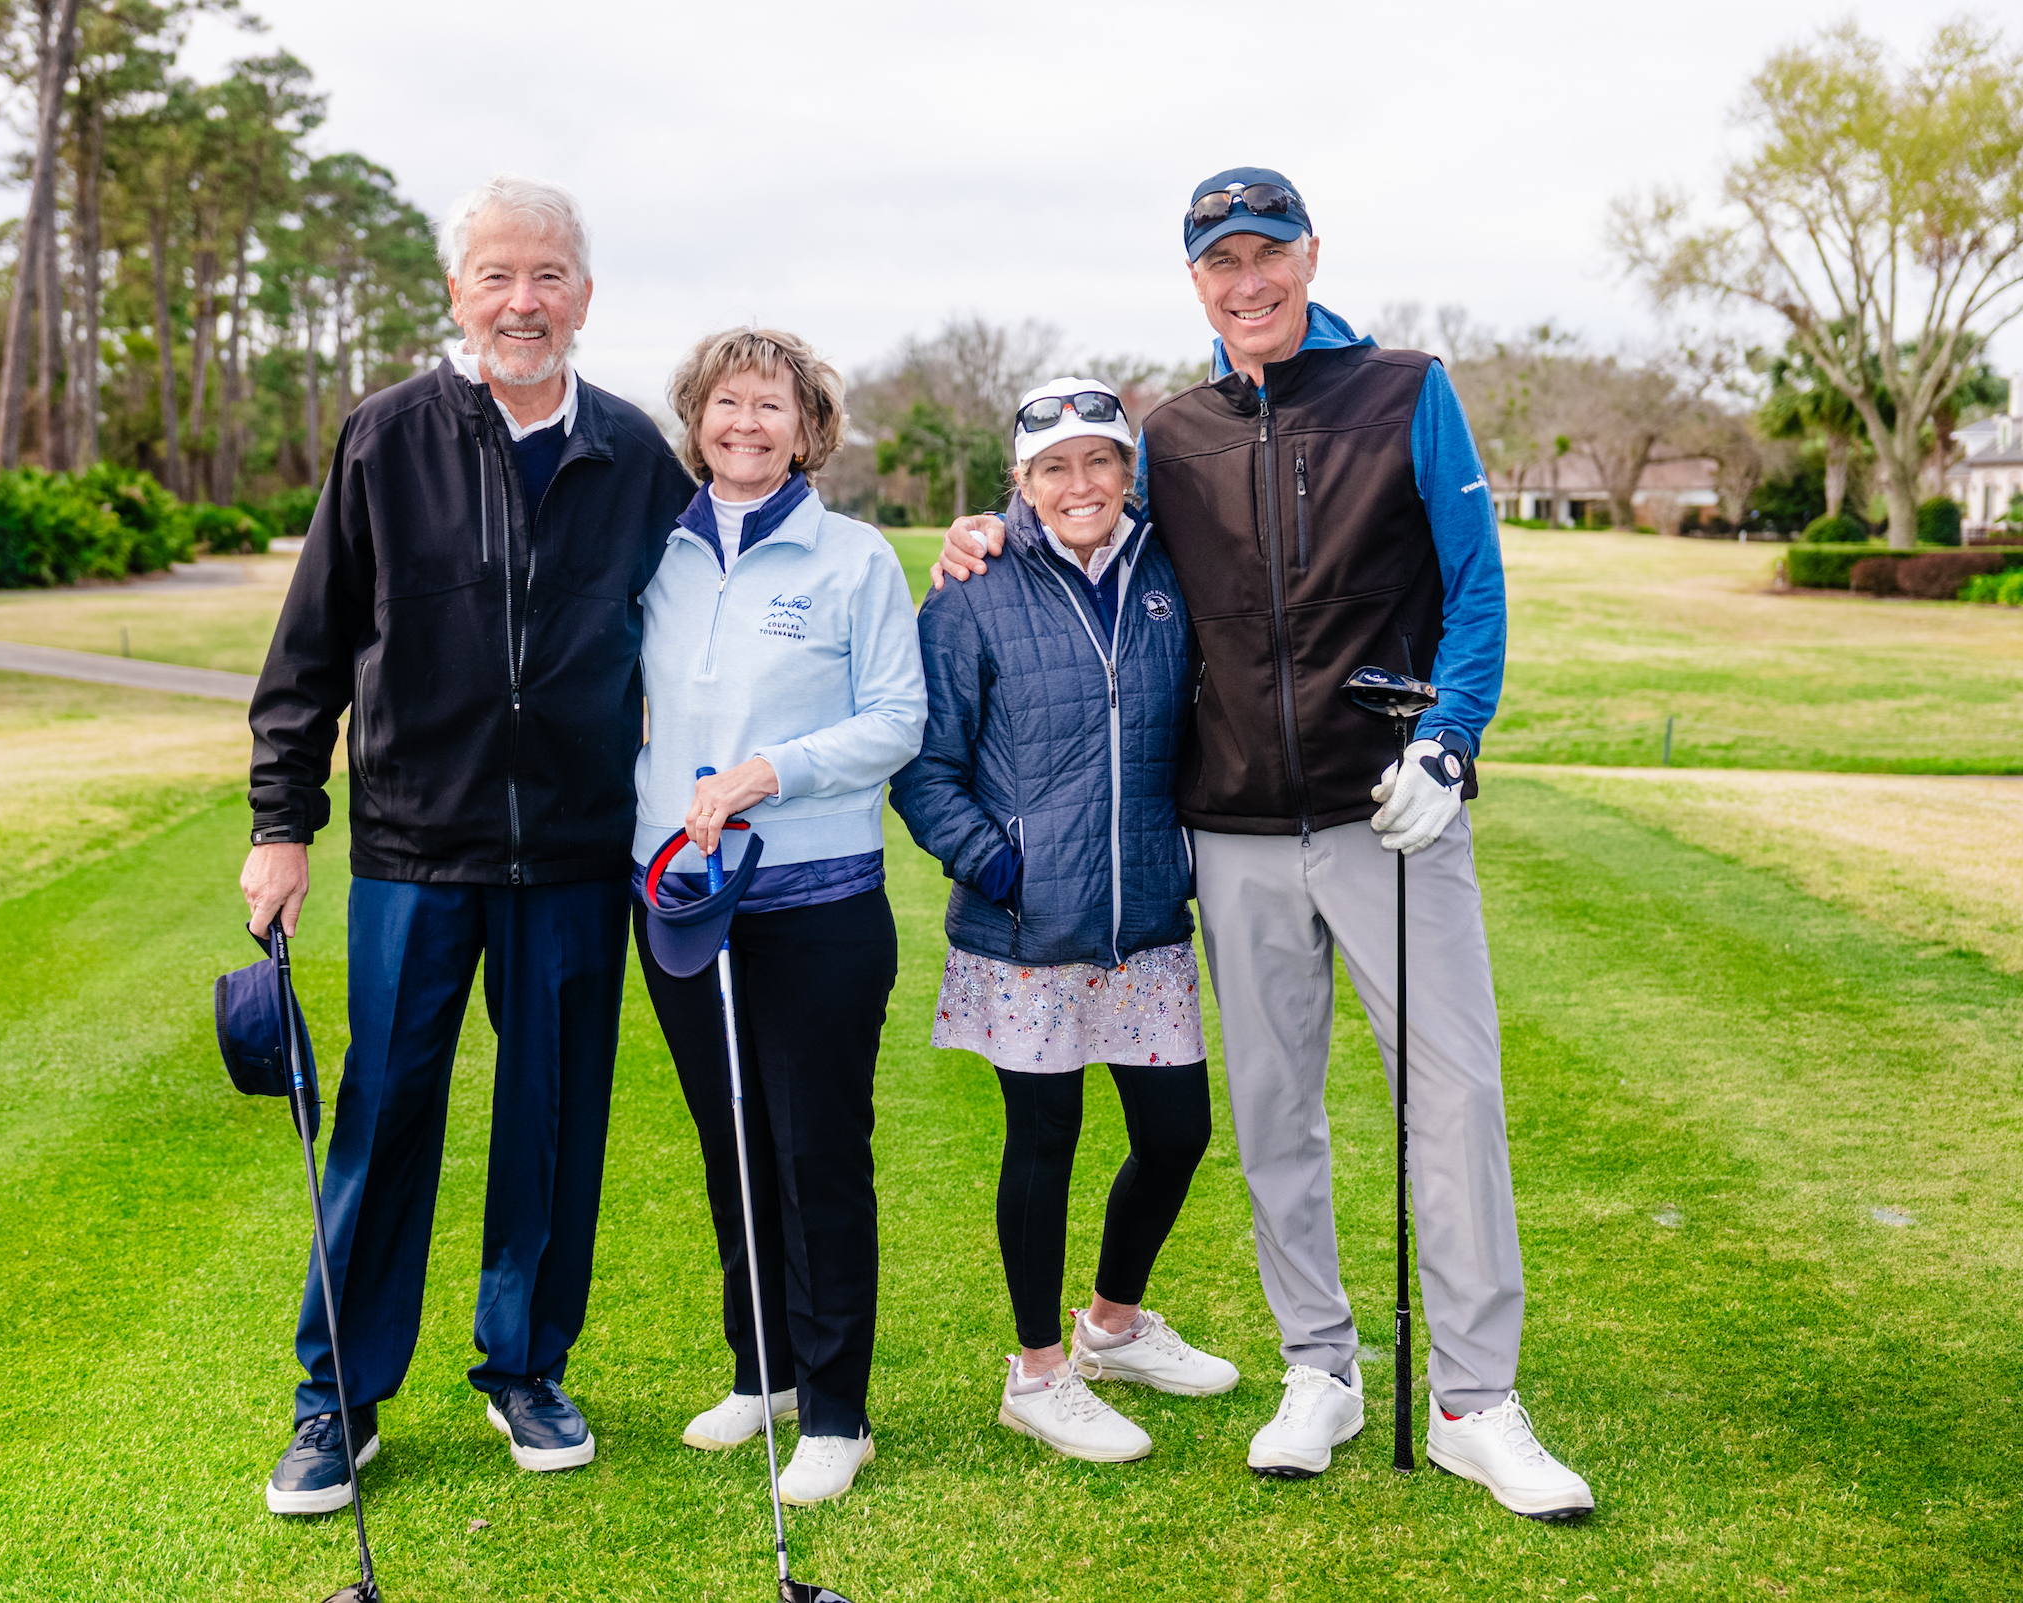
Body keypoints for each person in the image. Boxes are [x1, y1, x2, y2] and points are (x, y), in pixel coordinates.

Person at [933, 168, 1593, 1519]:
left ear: (1309, 255)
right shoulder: (1173, 434)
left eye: (1267, 253)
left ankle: (1475, 1399)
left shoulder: (1407, 389)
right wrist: (989, 533)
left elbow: (1476, 584)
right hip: (1230, 827)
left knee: (1452, 1098)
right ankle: (1318, 1367)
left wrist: (1449, 739)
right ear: (1196, 282)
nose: (1249, 282)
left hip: (1388, 809)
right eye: (1221, 263)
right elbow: (1092, 529)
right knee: (1277, 1113)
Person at [241, 174, 697, 1511]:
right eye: (497, 274)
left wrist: (985, 538)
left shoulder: (633, 454)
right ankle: (338, 1398)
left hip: (571, 855)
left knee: (551, 1119)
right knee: (383, 1116)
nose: (523, 300)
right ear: (457, 292)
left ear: (585, 296)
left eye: (548, 275)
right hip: (411, 850)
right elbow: (310, 647)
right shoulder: (387, 437)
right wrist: (281, 822)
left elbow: (733, 585)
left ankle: (525, 1363)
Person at [889, 378, 1239, 1464]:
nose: (1079, 484)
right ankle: (1038, 1371)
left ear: (1131, 473)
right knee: (1045, 1141)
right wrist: (1003, 866)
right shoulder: (972, 591)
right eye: (1054, 467)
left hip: (1147, 919)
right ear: (1021, 481)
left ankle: (1113, 1326)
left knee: (1176, 1134)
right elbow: (924, 766)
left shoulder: (1171, 571)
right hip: (1028, 925)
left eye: (1100, 461)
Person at [632, 328, 926, 1506]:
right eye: (726, 403)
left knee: (816, 1153)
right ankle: (765, 1372)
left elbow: (897, 720)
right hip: (681, 900)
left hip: (819, 906)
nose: (745, 424)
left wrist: (770, 772)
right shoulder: (655, 552)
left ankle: (839, 1409)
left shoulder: (855, 559)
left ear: (809, 431)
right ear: (696, 421)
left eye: (770, 407)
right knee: (732, 1145)